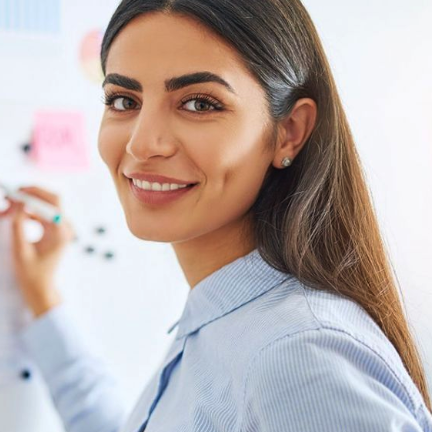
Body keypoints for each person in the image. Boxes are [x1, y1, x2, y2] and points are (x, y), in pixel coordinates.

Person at [1, 0, 432, 431]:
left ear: (290, 132)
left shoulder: (299, 357)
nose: (141, 143)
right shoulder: (228, 323)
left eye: (200, 104)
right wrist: (41, 296)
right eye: (123, 99)